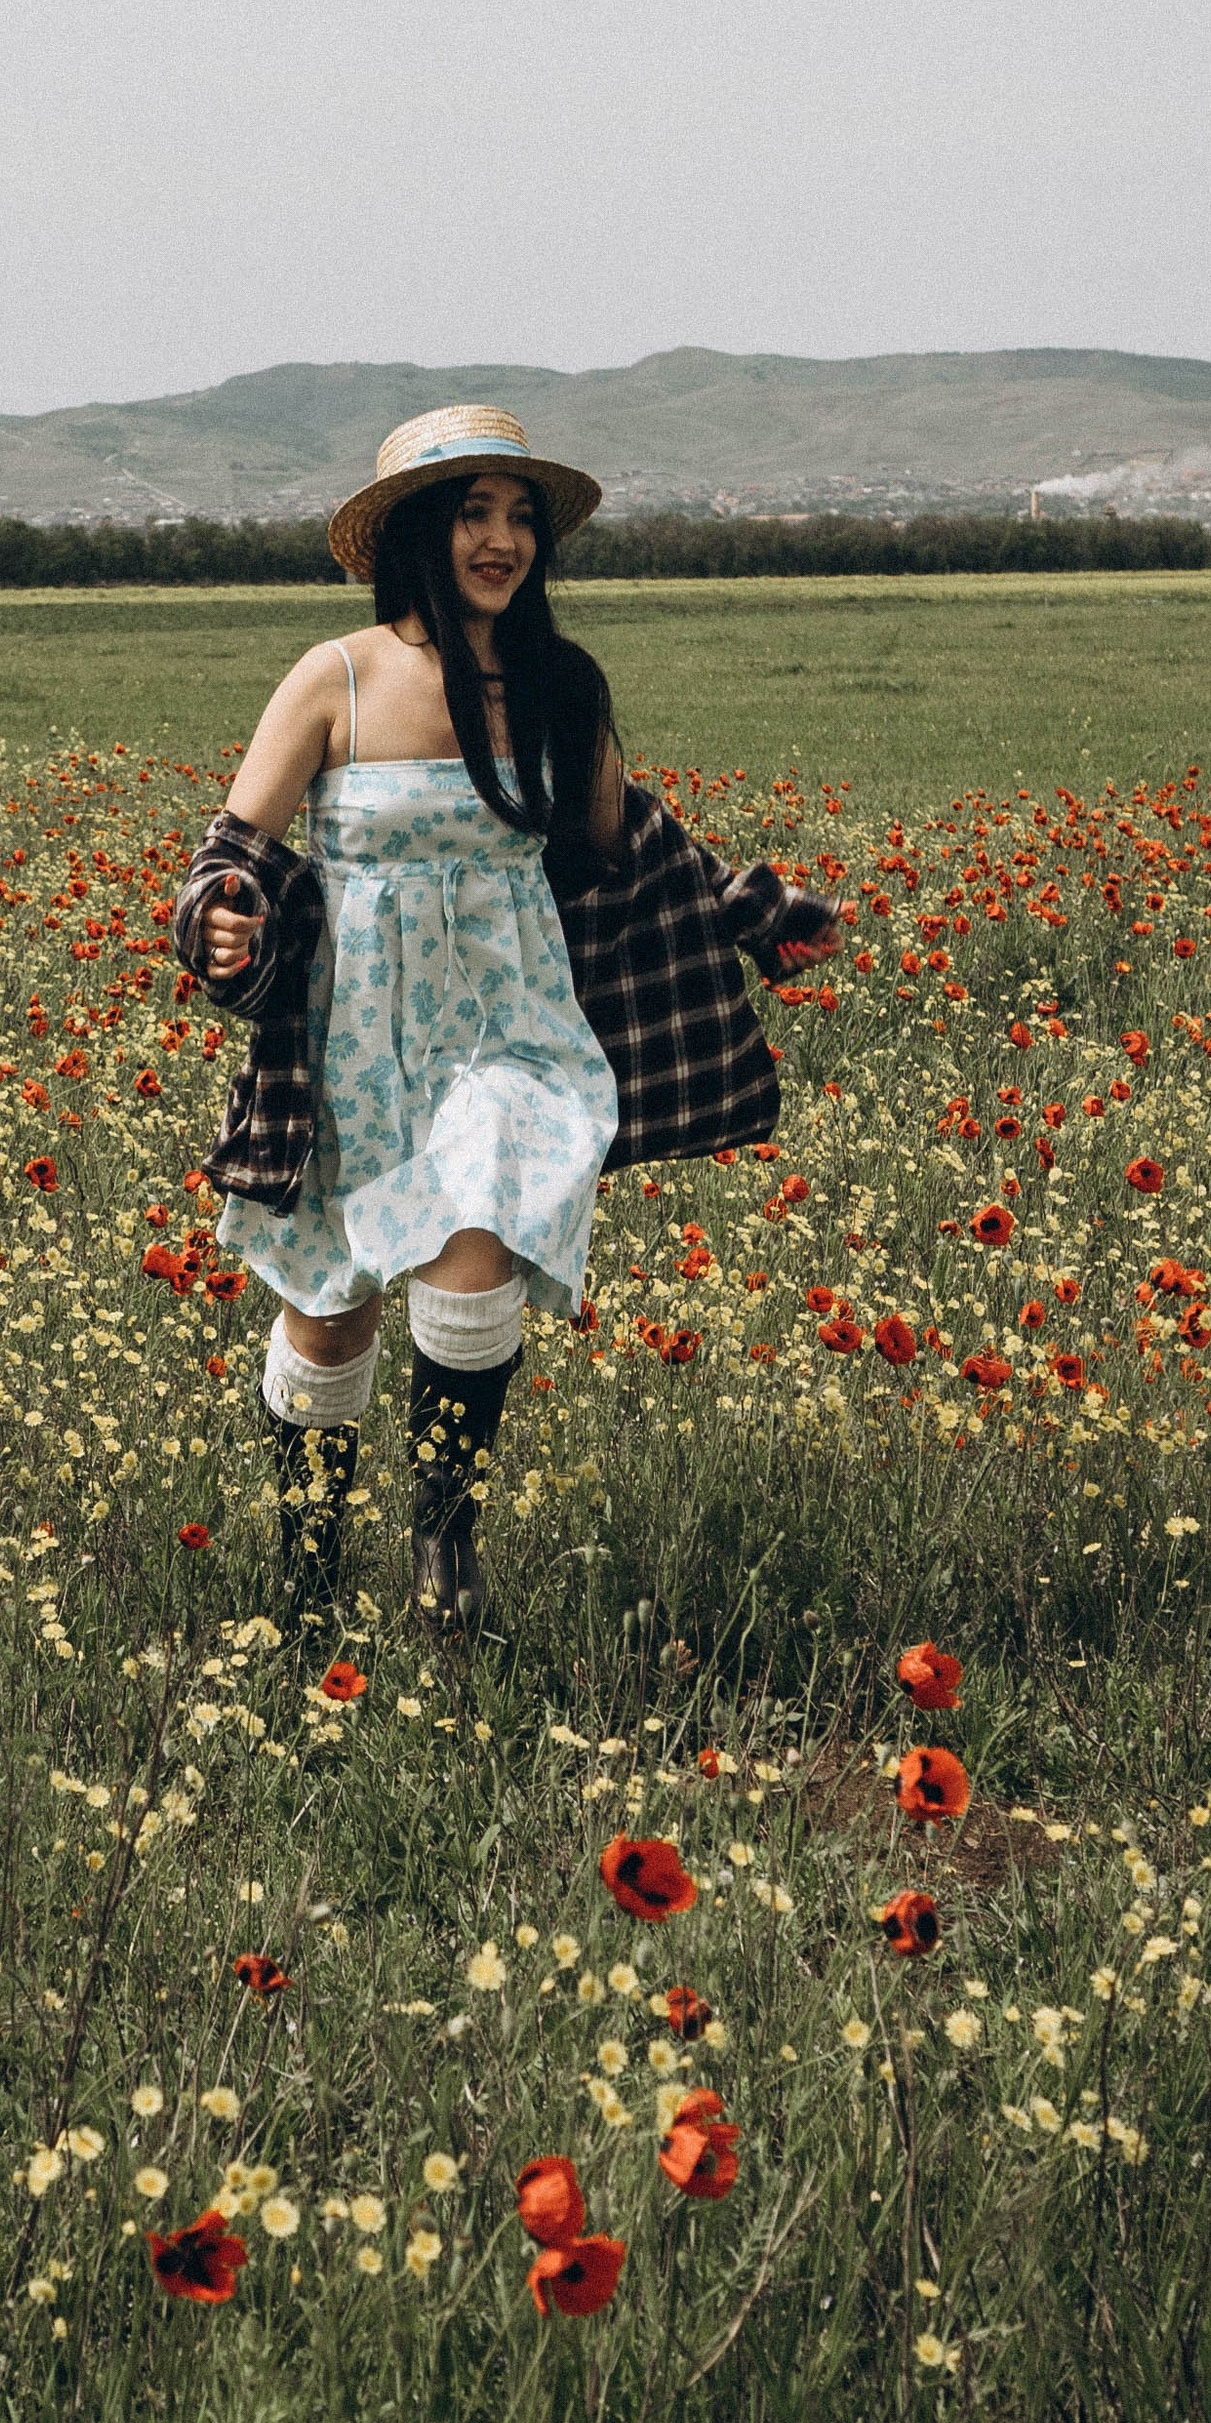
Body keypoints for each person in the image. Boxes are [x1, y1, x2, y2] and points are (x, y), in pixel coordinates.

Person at [172, 403, 840, 1634]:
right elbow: (233, 855)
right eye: (472, 513)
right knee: (330, 1317)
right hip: (352, 1043)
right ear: (417, 534)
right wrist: (221, 918)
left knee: (476, 1237)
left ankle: (444, 1547)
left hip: (508, 1030)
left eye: (519, 516)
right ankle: (310, 1575)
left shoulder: (556, 686)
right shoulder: (336, 679)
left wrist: (744, 908)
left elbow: (627, 845)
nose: (500, 540)